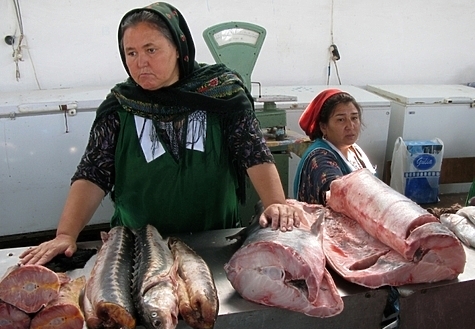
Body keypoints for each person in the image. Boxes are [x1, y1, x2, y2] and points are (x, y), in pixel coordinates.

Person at [20, 2, 300, 266]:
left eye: (151, 50)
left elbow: (253, 153)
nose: (140, 62)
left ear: (178, 48)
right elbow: (94, 172)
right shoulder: (120, 106)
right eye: (131, 53)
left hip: (214, 243)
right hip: (136, 252)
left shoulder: (222, 95)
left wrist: (276, 203)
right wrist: (66, 235)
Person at [293, 88, 376, 205]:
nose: (350, 126)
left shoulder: (354, 150)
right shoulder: (319, 158)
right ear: (323, 127)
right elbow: (338, 193)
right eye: (341, 119)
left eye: (354, 118)